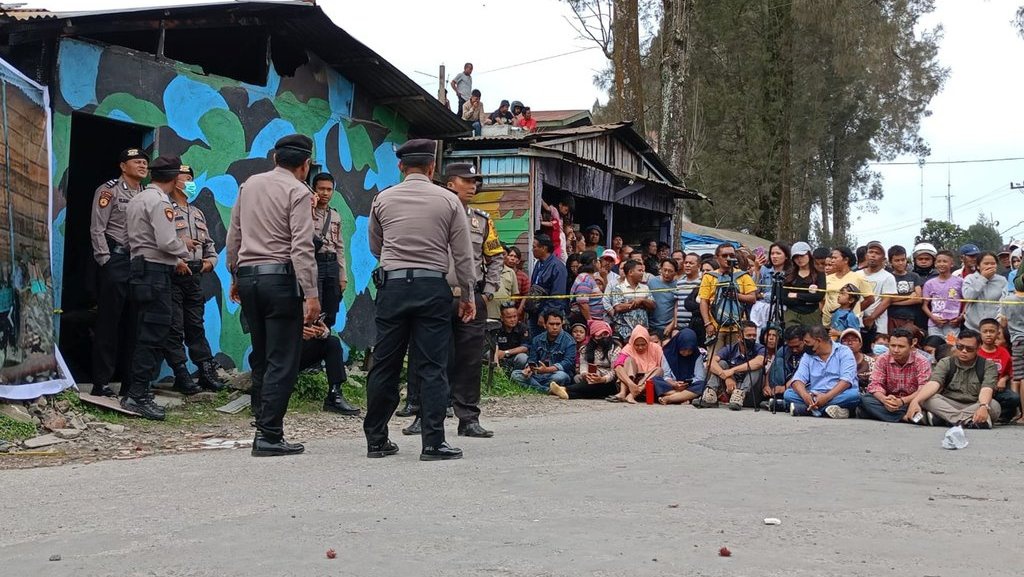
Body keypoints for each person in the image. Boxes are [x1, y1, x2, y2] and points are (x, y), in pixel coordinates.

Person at [361, 139, 476, 461]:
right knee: (432, 366)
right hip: (432, 288)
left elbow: (375, 245)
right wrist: (467, 294)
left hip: (393, 287)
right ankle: (433, 443)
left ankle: (376, 440)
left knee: (385, 363)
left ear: (401, 167)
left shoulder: (382, 199)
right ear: (431, 168)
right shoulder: (449, 200)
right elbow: (463, 255)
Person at [227, 135, 320, 456]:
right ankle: (269, 435)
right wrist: (311, 294)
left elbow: (234, 233)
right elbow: (301, 246)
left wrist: (235, 275)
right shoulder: (299, 191)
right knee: (282, 360)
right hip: (280, 280)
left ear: (275, 158)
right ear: (305, 165)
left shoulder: (249, 185)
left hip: (249, 278)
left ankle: (263, 423)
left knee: (263, 353)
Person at [404, 162, 502, 439]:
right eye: (466, 180)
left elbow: (495, 257)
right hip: (436, 295)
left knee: (470, 361)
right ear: (450, 184)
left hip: (471, 297)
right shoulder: (431, 215)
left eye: (475, 181)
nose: (473, 185)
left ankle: (468, 419)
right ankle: (425, 416)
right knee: (431, 357)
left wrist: (488, 291)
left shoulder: (482, 220)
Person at [120, 155, 191, 421]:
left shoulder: (137, 198)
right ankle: (138, 395)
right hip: (155, 272)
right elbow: (166, 241)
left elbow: (128, 239)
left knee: (141, 331)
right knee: (154, 333)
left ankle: (133, 390)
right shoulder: (161, 202)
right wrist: (184, 248)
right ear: (173, 178)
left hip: (139, 268)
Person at [89, 148, 148, 398]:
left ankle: (129, 383)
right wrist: (105, 260)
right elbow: (97, 228)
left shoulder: (147, 194)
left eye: (145, 162)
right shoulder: (109, 190)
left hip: (139, 263)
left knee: (135, 324)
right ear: (123, 166)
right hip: (116, 258)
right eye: (137, 162)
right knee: (108, 323)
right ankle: (101, 382)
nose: (143, 166)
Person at [162, 163, 224, 396]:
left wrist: (211, 261)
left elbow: (209, 244)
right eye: (184, 178)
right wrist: (175, 261)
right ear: (173, 181)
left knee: (196, 325)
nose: (189, 182)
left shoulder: (197, 212)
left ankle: (206, 370)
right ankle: (181, 373)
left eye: (190, 178)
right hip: (173, 276)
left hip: (195, 276)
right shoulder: (165, 209)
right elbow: (161, 241)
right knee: (175, 327)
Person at [904, 329, 1001, 428]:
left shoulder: (988, 365)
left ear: (978, 348)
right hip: (948, 404)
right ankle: (966, 421)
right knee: (927, 398)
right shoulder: (946, 362)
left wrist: (983, 406)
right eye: (960, 347)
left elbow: (987, 388)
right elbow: (934, 383)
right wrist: (915, 401)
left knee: (994, 405)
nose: (964, 351)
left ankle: (945, 419)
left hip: (975, 404)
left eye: (969, 349)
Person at [784, 324, 861, 418]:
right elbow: (798, 379)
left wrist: (826, 397)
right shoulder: (808, 355)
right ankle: (827, 410)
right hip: (814, 394)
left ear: (818, 341)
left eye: (807, 342)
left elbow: (846, 381)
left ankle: (809, 410)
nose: (804, 344)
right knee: (788, 394)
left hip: (837, 394)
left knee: (854, 395)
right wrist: (805, 396)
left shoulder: (844, 351)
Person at [859, 327, 931, 422]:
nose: (896, 350)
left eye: (901, 346)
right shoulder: (883, 359)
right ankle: (905, 417)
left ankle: (883, 414)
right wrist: (884, 399)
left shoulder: (921, 361)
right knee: (865, 399)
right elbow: (875, 384)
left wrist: (902, 401)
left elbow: (923, 389)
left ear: (912, 344)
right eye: (892, 346)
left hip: (911, 400)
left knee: (928, 400)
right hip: (889, 400)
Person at [698, 243, 758, 350]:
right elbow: (704, 301)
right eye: (724, 256)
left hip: (738, 326)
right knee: (714, 358)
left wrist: (736, 295)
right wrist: (707, 323)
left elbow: (752, 298)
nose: (728, 258)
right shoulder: (709, 277)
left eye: (732, 255)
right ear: (717, 258)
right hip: (716, 327)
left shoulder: (743, 276)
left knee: (737, 356)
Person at [695, 320, 765, 410]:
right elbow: (711, 362)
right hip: (731, 391)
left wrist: (732, 371)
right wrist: (725, 376)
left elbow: (760, 361)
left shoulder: (759, 348)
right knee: (721, 363)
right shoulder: (731, 348)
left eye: (754, 335)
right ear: (739, 337)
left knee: (757, 367)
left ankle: (740, 393)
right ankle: (711, 394)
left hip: (751, 394)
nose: (752, 338)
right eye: (748, 335)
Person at [299, 318, 359, 415]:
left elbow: (326, 330)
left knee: (332, 343)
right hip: (279, 351)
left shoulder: (319, 310)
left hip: (300, 349)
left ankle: (334, 394)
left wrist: (322, 332)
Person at [311, 173, 347, 328]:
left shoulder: (335, 216)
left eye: (329, 189)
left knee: (331, 309)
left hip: (332, 265)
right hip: (314, 263)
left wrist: (342, 276)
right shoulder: (306, 212)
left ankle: (325, 337)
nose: (325, 193)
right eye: (321, 189)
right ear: (314, 189)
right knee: (313, 308)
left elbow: (339, 247)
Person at [550, 320, 620, 400]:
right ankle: (568, 395)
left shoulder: (615, 349)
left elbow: (614, 371)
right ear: (593, 337)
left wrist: (602, 379)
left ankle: (565, 389)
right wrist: (585, 374)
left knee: (594, 385)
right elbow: (583, 365)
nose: (603, 337)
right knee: (582, 380)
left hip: (609, 381)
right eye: (599, 335)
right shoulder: (585, 349)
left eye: (605, 334)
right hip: (592, 377)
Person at [511, 311, 575, 392]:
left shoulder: (569, 341)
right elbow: (532, 359)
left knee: (561, 377)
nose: (555, 327)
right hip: (539, 374)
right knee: (515, 374)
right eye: (551, 324)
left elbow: (568, 362)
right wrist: (529, 368)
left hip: (555, 374)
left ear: (562, 324)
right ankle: (549, 390)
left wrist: (547, 369)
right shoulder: (537, 339)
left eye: (558, 324)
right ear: (544, 324)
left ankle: (534, 386)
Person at [977, 317, 1020, 423]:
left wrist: (1004, 379)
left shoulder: (1003, 352)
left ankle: (1001, 417)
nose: (988, 334)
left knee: (1014, 398)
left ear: (997, 333)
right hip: (979, 389)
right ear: (980, 333)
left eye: (992, 331)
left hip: (998, 390)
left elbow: (1010, 371)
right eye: (985, 331)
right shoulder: (976, 352)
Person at [652, 328, 708, 405]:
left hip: (689, 386)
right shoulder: (668, 353)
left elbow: (700, 377)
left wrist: (687, 384)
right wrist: (674, 384)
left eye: (690, 350)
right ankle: (683, 397)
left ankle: (669, 398)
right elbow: (666, 376)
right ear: (679, 344)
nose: (687, 353)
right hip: (672, 385)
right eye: (684, 349)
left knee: (702, 384)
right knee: (655, 380)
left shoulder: (696, 355)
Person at [610, 325, 664, 404]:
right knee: (628, 360)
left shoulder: (656, 348)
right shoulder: (628, 348)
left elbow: (663, 367)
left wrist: (637, 387)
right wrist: (630, 383)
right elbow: (617, 367)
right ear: (632, 342)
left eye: (643, 344)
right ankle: (623, 393)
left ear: (648, 341)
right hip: (630, 382)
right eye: (637, 345)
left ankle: (632, 395)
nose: (640, 347)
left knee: (659, 370)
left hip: (647, 385)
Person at [528, 233, 568, 336]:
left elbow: (557, 296)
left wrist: (544, 314)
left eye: (534, 247)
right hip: (534, 311)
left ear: (544, 248)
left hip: (549, 316)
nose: (532, 250)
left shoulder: (557, 267)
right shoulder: (538, 264)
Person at [822, 247, 874, 326]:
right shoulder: (827, 278)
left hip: (848, 324)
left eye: (835, 258)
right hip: (828, 322)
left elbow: (870, 299)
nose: (832, 261)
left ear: (846, 260)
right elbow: (822, 299)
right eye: (832, 258)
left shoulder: (858, 277)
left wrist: (853, 310)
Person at [606, 260, 654, 342]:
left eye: (642, 271)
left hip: (642, 331)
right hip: (623, 331)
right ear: (630, 272)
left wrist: (642, 300)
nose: (642, 273)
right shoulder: (618, 288)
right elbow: (618, 307)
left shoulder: (645, 287)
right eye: (639, 270)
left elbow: (653, 305)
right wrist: (639, 304)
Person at [921, 250, 964, 339]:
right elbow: (924, 306)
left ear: (951, 264)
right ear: (935, 264)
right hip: (934, 325)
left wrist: (961, 317)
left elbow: (967, 302)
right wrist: (933, 318)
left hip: (952, 324)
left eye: (945, 261)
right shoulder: (929, 283)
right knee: (934, 345)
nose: (942, 264)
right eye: (939, 261)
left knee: (951, 346)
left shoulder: (960, 281)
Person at [782, 242, 826, 328]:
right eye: (796, 257)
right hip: (791, 314)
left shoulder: (819, 274)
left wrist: (796, 295)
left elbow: (819, 296)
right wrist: (807, 299)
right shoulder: (788, 275)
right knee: (792, 335)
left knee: (813, 336)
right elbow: (784, 297)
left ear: (809, 254)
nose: (799, 259)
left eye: (802, 255)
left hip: (812, 314)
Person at [765, 324, 807, 410]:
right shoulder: (784, 349)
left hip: (801, 385)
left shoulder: (810, 352)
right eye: (791, 347)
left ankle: (783, 403)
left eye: (797, 346)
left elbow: (802, 374)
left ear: (804, 341)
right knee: (778, 361)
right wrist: (767, 386)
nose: (794, 350)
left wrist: (784, 388)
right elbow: (771, 368)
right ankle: (778, 398)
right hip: (784, 383)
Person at [962, 251, 1007, 332]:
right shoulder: (970, 278)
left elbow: (1004, 303)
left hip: (994, 327)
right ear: (978, 266)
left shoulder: (1002, 280)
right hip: (972, 327)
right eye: (986, 263)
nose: (990, 266)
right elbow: (968, 297)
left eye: (993, 263)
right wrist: (983, 278)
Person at [860, 241, 897, 338]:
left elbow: (887, 301)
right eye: (870, 252)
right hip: (857, 321)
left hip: (878, 324)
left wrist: (871, 318)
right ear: (866, 255)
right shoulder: (857, 275)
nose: (873, 255)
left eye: (877, 253)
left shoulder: (888, 277)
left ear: (883, 259)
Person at [998, 285, 1024, 420]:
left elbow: (1003, 323)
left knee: (1021, 377)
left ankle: (1022, 415)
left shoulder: (1008, 299)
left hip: (1018, 340)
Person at [886, 244, 924, 332]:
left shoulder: (914, 276)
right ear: (890, 262)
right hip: (892, 317)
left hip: (911, 318)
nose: (901, 263)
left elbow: (918, 299)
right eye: (897, 260)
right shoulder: (888, 277)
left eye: (903, 260)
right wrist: (909, 296)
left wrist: (894, 302)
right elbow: (887, 299)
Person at [647, 259, 679, 340]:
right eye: (665, 270)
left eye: (670, 271)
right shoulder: (651, 282)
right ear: (660, 269)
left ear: (675, 272)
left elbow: (677, 307)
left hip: (668, 326)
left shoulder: (678, 285)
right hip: (651, 326)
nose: (667, 273)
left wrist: (672, 325)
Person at [494, 303, 529, 373]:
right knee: (489, 354)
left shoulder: (522, 327)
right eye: (509, 317)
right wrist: (496, 364)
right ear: (502, 318)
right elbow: (494, 345)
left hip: (514, 357)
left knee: (523, 357)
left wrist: (506, 352)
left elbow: (525, 347)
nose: (513, 319)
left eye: (515, 316)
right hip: (498, 356)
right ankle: (496, 374)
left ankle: (514, 376)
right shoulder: (496, 327)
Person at [673, 252, 702, 333]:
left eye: (691, 263)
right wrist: (675, 323)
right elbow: (676, 305)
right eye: (686, 263)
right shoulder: (679, 283)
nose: (687, 265)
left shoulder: (702, 283)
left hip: (695, 325)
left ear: (699, 266)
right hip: (679, 327)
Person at [569, 252, 603, 322]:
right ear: (594, 262)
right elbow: (582, 303)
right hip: (586, 321)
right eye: (598, 260)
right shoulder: (585, 280)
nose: (600, 263)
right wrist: (590, 321)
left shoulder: (587, 277)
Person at [489, 245, 520, 320]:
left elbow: (514, 294)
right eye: (497, 254)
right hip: (488, 313)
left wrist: (510, 311)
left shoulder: (510, 272)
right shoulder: (485, 271)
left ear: (507, 256)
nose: (500, 256)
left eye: (503, 254)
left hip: (506, 316)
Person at [506, 245, 530, 319]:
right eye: (510, 255)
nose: (512, 258)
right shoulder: (500, 274)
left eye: (515, 256)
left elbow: (526, 295)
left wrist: (520, 309)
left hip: (517, 312)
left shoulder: (523, 276)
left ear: (518, 261)